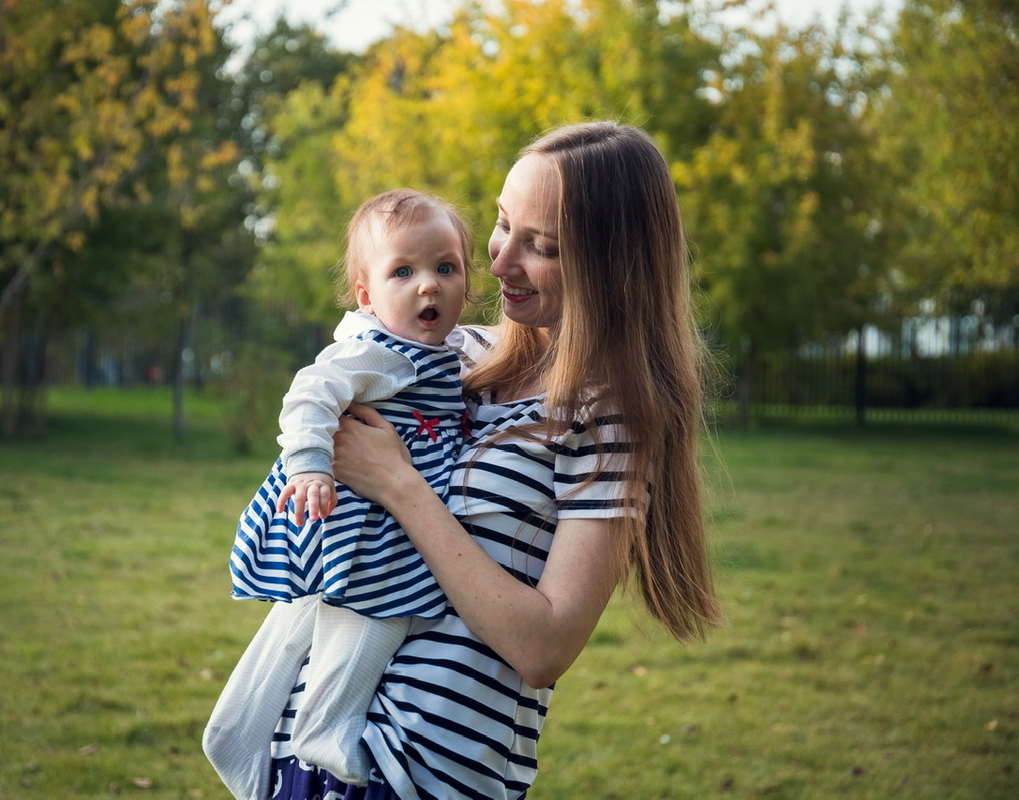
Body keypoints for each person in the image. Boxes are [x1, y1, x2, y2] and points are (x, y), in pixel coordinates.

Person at [210, 120, 723, 800]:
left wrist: (400, 485)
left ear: (610, 268)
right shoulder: (449, 358)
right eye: (504, 225)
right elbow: (331, 385)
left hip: (423, 769)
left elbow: (544, 649)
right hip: (308, 747)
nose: (502, 261)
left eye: (542, 247)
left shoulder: (609, 420)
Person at [204, 188, 476, 799]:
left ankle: (233, 731)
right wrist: (307, 464)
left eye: (445, 267)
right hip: (361, 524)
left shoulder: (439, 351)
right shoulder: (379, 352)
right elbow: (309, 392)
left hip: (343, 520)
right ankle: (327, 728)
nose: (427, 286)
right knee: (377, 615)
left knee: (294, 628)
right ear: (367, 296)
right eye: (402, 272)